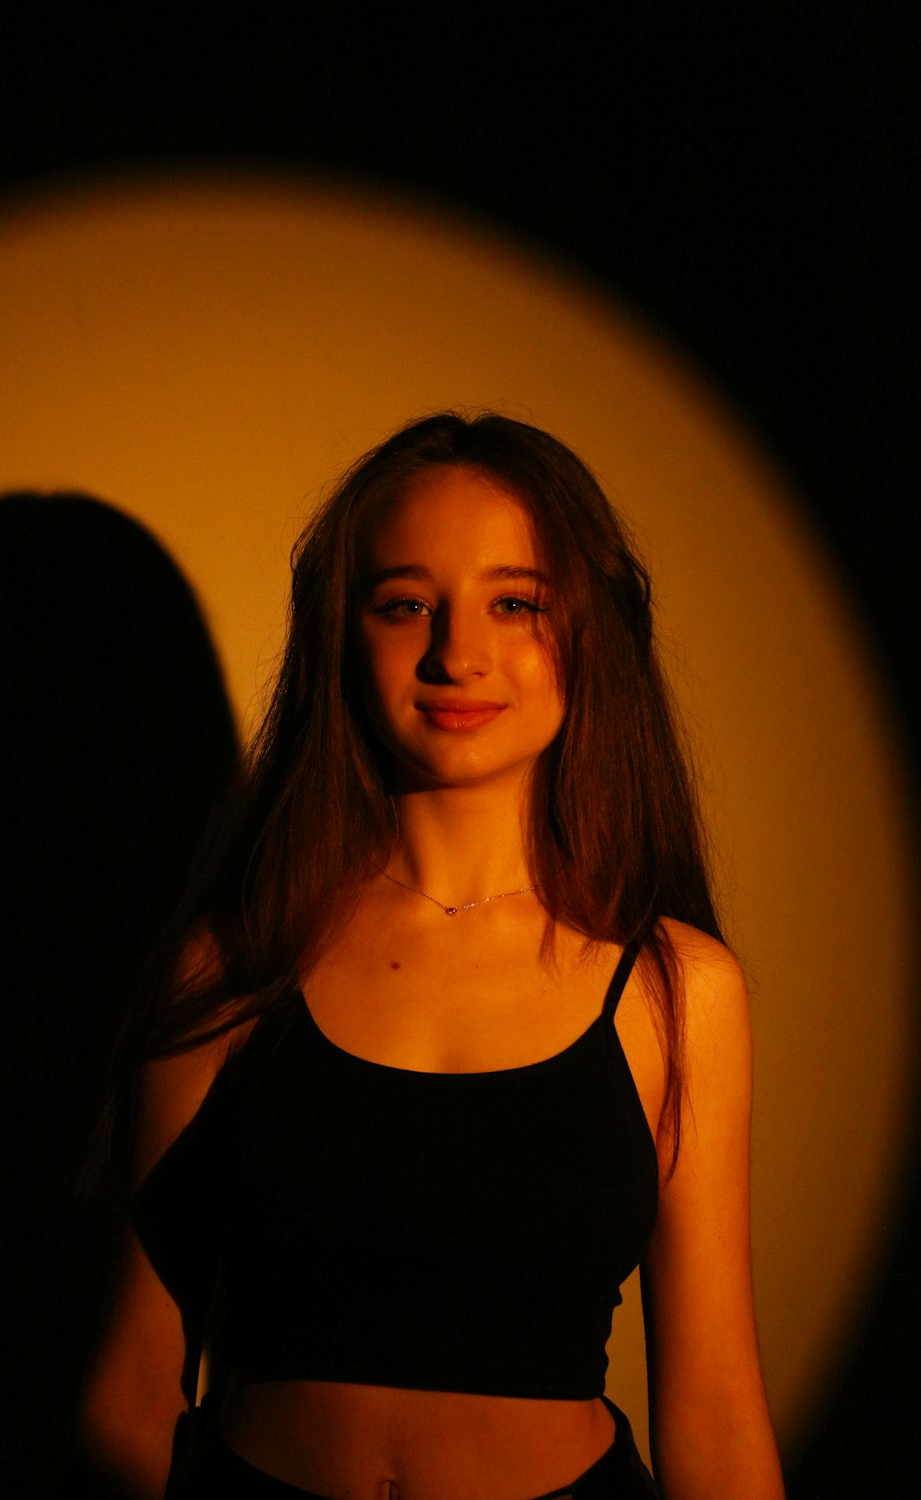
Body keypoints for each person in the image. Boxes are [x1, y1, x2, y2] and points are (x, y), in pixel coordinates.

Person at [81, 412, 785, 1499]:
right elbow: (127, 1394)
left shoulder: (672, 990)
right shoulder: (231, 966)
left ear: (586, 634)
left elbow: (717, 1419)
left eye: (515, 604)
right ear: (341, 637)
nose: (459, 654)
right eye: (406, 605)